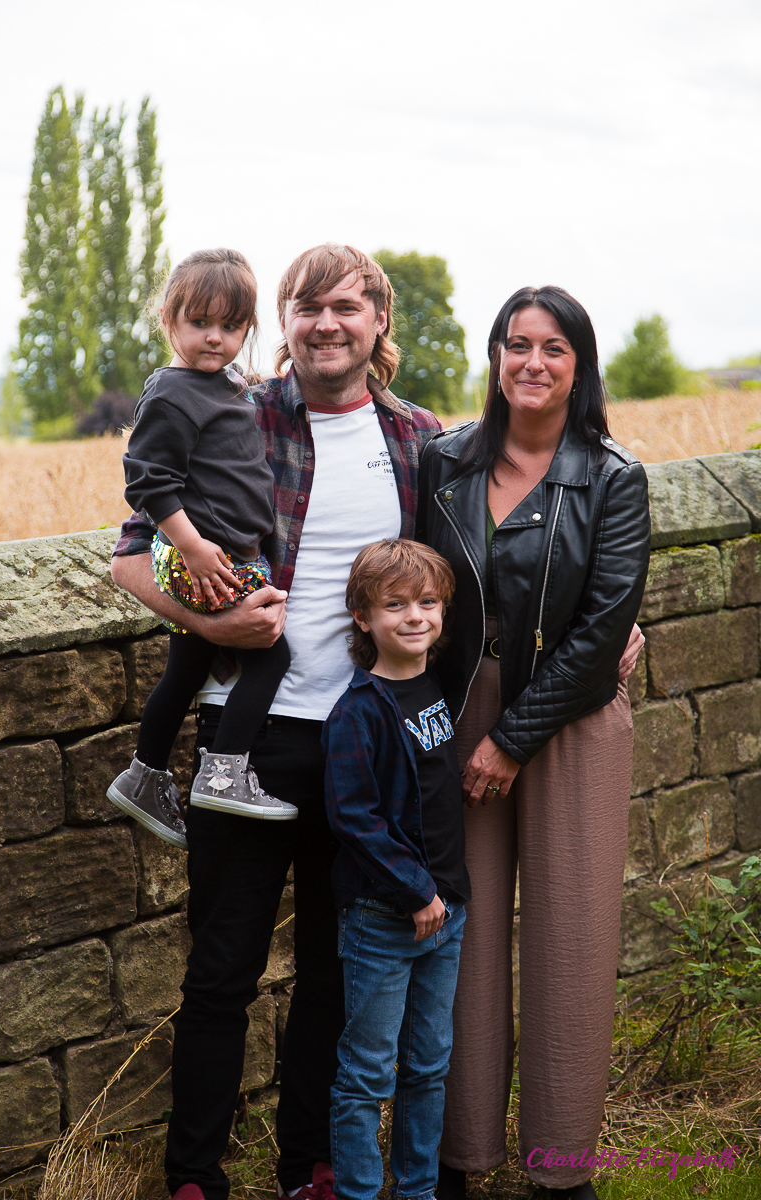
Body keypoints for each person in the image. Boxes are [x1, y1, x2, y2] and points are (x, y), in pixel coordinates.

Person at [110, 244, 443, 1200]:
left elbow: (495, 551)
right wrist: (214, 619)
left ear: (378, 319)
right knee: (221, 970)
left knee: (337, 972)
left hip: (365, 745)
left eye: (346, 306)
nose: (326, 323)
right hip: (246, 740)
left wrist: (610, 610)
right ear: (284, 324)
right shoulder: (232, 410)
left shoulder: (420, 440)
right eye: (307, 307)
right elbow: (131, 557)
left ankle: (314, 1167)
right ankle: (195, 1178)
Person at [417, 286, 651, 1200]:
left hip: (574, 719)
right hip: (463, 708)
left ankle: (560, 1171)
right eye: (516, 344)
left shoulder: (614, 476)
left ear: (580, 366)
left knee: (573, 940)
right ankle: (459, 1156)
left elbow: (603, 628)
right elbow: (413, 585)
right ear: (494, 358)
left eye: (554, 348)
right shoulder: (441, 463)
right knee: (460, 941)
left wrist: (512, 741)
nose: (533, 363)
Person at [108, 248, 295, 848]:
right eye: (200, 324)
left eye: (231, 327)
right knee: (271, 656)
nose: (215, 339)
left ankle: (145, 774)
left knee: (186, 668)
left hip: (226, 551)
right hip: (208, 556)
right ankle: (225, 772)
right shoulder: (171, 394)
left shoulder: (222, 384)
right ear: (169, 320)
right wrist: (191, 548)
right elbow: (147, 480)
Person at [323, 538, 469, 1200]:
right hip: (385, 920)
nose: (415, 617)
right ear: (363, 618)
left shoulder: (434, 687)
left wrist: (442, 899)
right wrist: (416, 894)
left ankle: (418, 1190)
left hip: (447, 915)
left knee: (429, 1066)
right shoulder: (359, 712)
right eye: (396, 605)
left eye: (428, 602)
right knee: (366, 1074)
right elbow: (356, 820)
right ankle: (357, 1192)